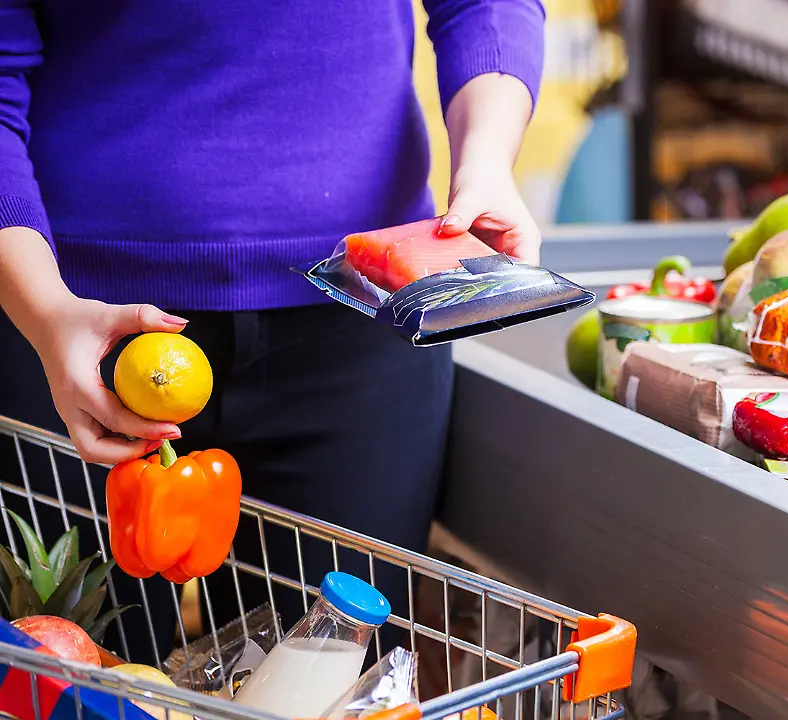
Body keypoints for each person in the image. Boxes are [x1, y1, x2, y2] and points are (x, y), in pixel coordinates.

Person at [0, 0, 544, 664]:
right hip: (69, 325)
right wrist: (44, 310)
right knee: (67, 689)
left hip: (360, 316)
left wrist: (486, 161)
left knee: (332, 688)